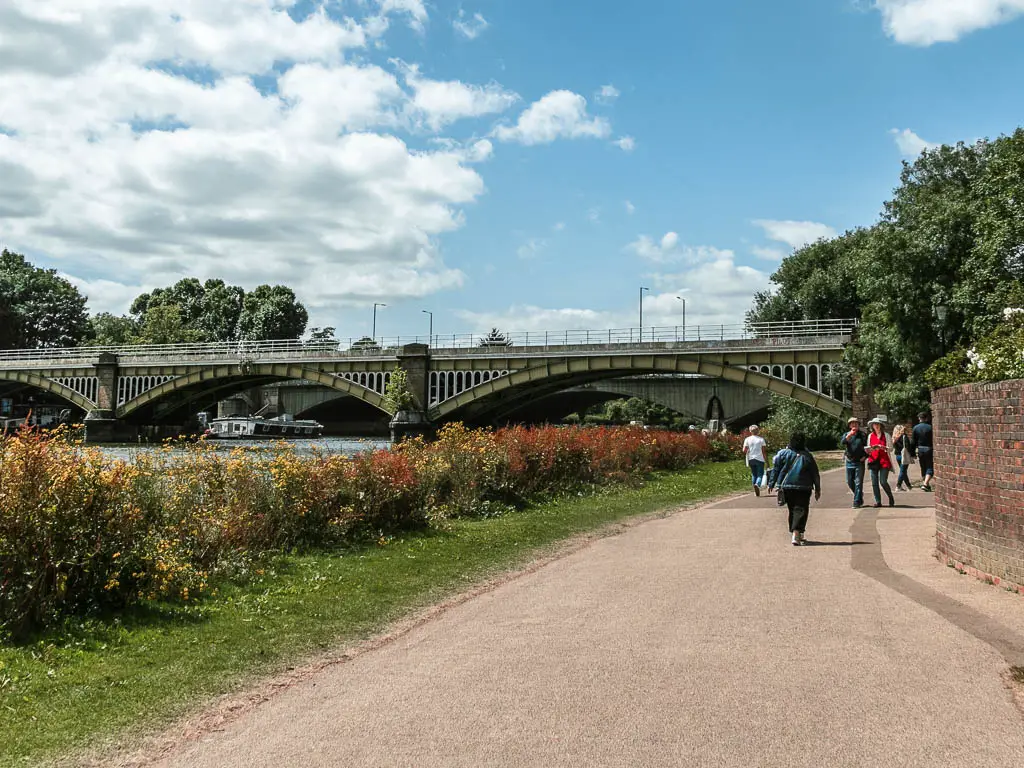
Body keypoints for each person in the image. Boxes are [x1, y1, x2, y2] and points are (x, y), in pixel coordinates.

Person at [767, 431, 821, 546]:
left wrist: (771, 483)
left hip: (787, 486)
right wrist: (817, 488)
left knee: (792, 509)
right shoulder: (807, 456)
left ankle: (797, 532)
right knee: (801, 509)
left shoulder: (783, 453)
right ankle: (797, 532)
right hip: (804, 486)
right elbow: (815, 473)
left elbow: (776, 469)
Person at [866, 418, 895, 508]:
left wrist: (883, 447)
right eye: (875, 424)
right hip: (873, 460)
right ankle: (878, 501)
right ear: (872, 426)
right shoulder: (870, 436)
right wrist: (870, 449)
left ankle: (890, 497)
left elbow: (891, 448)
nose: (876, 426)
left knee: (883, 481)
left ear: (881, 426)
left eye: (878, 424)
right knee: (874, 483)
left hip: (884, 461)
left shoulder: (886, 435)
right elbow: (868, 449)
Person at [840, 416, 868, 508]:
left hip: (859, 462)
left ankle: (856, 502)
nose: (854, 425)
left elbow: (868, 448)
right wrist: (849, 436)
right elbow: (842, 442)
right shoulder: (846, 434)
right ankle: (859, 495)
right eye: (852, 423)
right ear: (849, 426)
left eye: (856, 423)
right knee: (849, 481)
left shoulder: (863, 435)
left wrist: (865, 456)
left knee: (858, 482)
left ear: (858, 425)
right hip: (849, 461)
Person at [742, 425, 768, 497]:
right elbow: (764, 452)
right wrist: (767, 462)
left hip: (751, 459)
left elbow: (744, 450)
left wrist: (749, 451)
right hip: (759, 459)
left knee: (754, 474)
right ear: (758, 431)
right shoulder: (761, 439)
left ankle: (755, 487)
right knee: (760, 474)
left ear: (750, 431)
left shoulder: (747, 439)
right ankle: (757, 484)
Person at [912, 412, 934, 492]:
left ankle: (926, 484)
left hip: (920, 449)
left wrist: (912, 453)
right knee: (930, 467)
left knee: (923, 467)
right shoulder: (930, 427)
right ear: (926, 418)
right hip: (929, 449)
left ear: (919, 418)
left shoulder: (915, 428)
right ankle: (925, 484)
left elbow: (913, 442)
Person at [892, 424, 914, 491]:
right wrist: (912, 455)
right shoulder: (904, 437)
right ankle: (898, 486)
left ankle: (909, 486)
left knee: (903, 471)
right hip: (904, 456)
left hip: (897, 456)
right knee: (902, 471)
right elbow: (908, 447)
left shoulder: (894, 438)